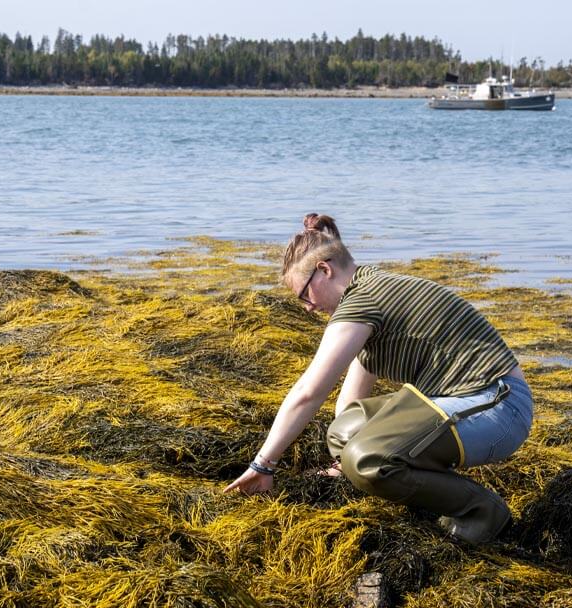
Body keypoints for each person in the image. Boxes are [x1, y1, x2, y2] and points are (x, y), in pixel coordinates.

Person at [223, 213, 533, 544]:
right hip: (466, 402)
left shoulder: (361, 302)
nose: (308, 308)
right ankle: (432, 491)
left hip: (498, 405)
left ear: (324, 270)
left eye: (303, 294)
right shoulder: (370, 291)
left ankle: (483, 510)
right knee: (345, 436)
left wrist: (264, 465)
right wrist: (341, 464)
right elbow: (350, 405)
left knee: (368, 459)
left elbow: (307, 392)